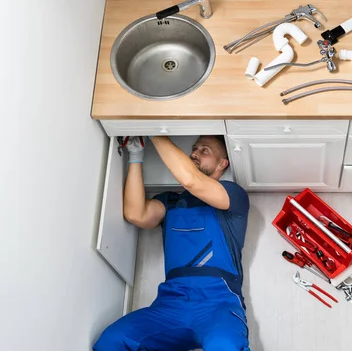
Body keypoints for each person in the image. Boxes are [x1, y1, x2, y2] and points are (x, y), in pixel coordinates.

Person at [94, 135, 250, 351]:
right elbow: (135, 214)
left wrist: (153, 130)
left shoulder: (234, 196)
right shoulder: (170, 201)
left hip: (218, 304)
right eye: (194, 148)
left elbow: (191, 180)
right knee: (111, 342)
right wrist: (136, 155)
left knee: (224, 346)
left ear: (222, 163)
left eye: (205, 150)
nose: (194, 153)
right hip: (171, 304)